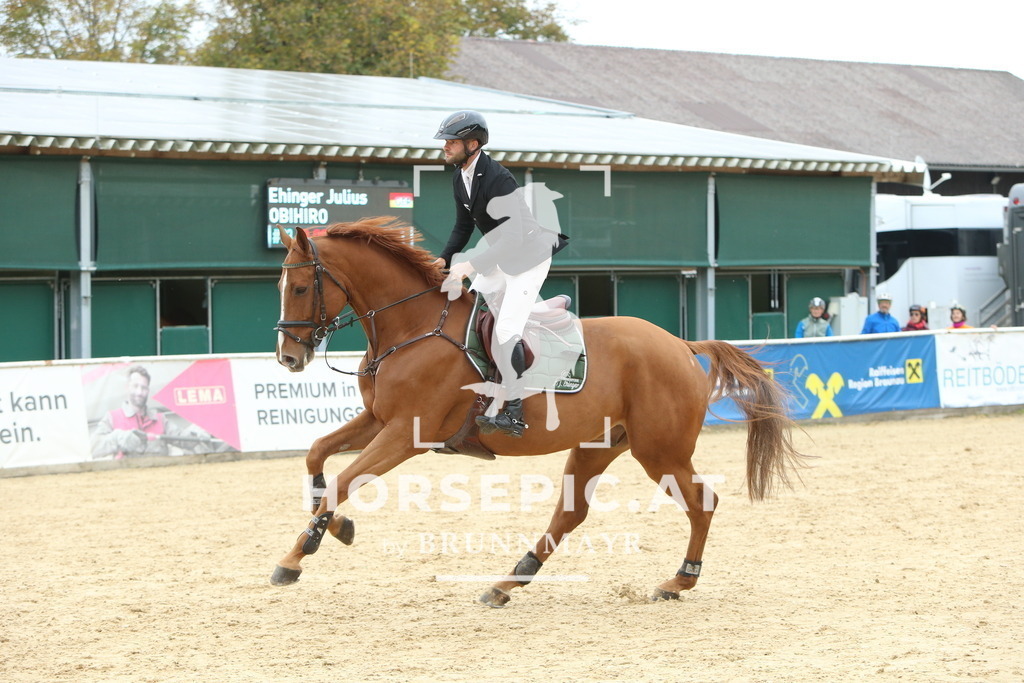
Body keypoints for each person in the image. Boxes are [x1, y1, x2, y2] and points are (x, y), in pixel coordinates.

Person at [431, 110, 568, 438]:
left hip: (527, 258)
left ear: (473, 144)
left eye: (452, 142)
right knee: (471, 311)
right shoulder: (459, 177)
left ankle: (516, 412)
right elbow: (463, 227)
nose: (445, 147)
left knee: (506, 330)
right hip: (500, 257)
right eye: (445, 142)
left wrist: (471, 265)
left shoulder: (497, 177)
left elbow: (514, 238)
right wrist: (444, 258)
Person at [90, 365, 210, 459]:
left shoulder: (160, 419)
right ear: (127, 387)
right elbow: (93, 449)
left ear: (148, 390)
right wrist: (118, 438)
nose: (139, 392)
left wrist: (198, 434)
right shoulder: (112, 417)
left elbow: (182, 440)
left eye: (144, 388)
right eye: (135, 386)